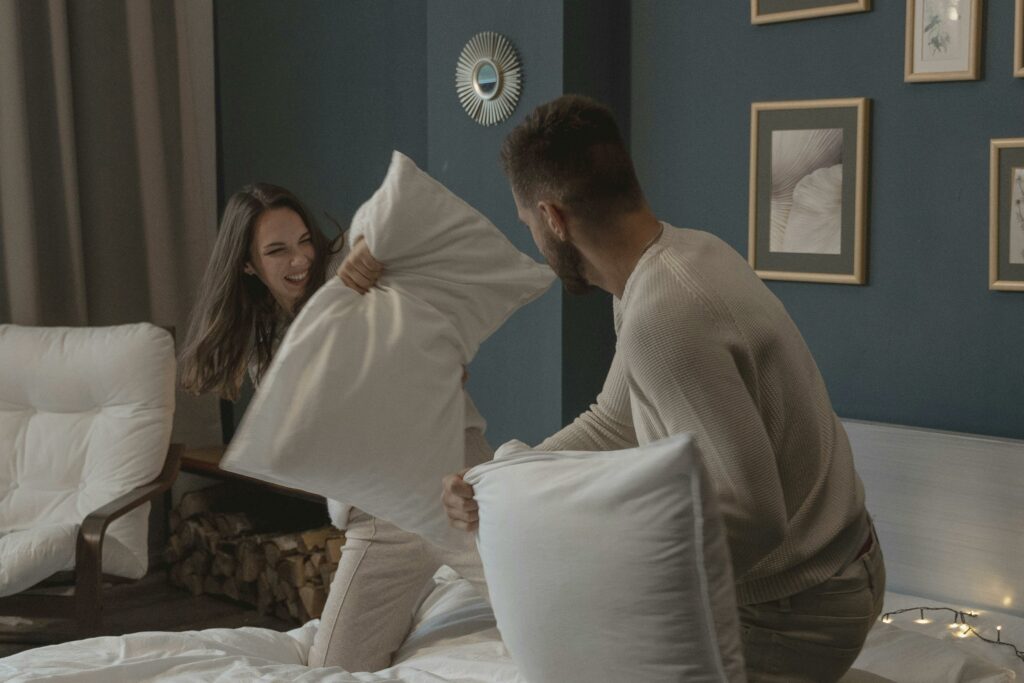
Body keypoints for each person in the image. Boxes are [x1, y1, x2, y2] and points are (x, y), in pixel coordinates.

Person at [439, 95, 885, 683]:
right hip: (831, 573)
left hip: (795, 607)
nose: (536, 243)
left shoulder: (664, 313)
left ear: (552, 217)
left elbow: (755, 517)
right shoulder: (677, 259)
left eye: (528, 227)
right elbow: (613, 421)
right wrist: (496, 482)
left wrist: (606, 576)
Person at [179, 183, 489, 672]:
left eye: (304, 240)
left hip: (455, 487)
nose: (299, 258)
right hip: (379, 515)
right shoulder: (267, 352)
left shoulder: (353, 270)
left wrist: (369, 251)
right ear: (246, 265)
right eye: (277, 250)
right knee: (335, 666)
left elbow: (400, 212)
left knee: (553, 614)